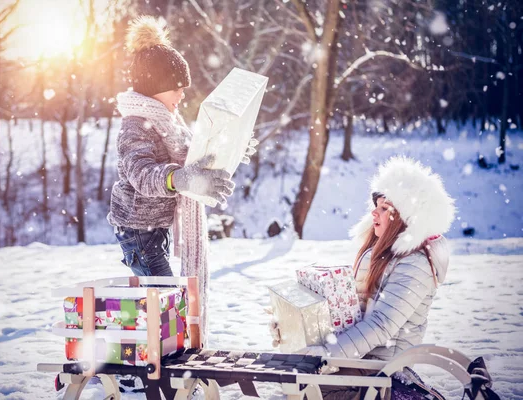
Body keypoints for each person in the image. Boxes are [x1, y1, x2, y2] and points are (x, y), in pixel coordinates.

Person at [108, 16, 256, 344]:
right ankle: (143, 367)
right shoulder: (134, 126)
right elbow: (143, 175)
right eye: (176, 87)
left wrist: (230, 149)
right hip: (137, 232)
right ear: (153, 87)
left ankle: (157, 358)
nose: (181, 95)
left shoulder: (168, 121)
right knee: (166, 302)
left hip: (155, 228)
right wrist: (182, 179)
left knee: (165, 301)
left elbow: (194, 156)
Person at [272, 156, 455, 399]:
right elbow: (350, 314)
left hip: (383, 373)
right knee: (292, 380)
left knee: (302, 389)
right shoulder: (377, 254)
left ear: (405, 218)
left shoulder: (415, 264)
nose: (374, 212)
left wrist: (325, 355)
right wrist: (296, 329)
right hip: (361, 362)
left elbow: (381, 325)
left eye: (384, 208)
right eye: (376, 205)